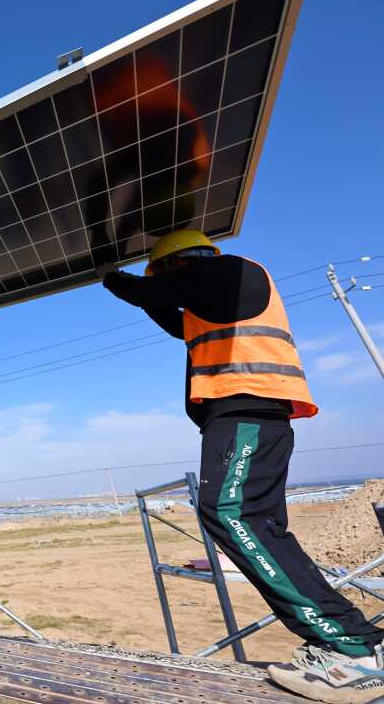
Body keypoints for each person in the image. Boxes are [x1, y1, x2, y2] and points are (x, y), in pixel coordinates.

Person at [100, 230, 384, 703]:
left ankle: (353, 649)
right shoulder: (212, 300)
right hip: (247, 417)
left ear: (178, 265)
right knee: (261, 527)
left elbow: (153, 292)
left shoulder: (232, 272)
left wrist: (110, 277)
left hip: (246, 413)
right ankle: (344, 642)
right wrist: (135, 289)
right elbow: (170, 316)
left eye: (165, 272)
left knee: (231, 513)